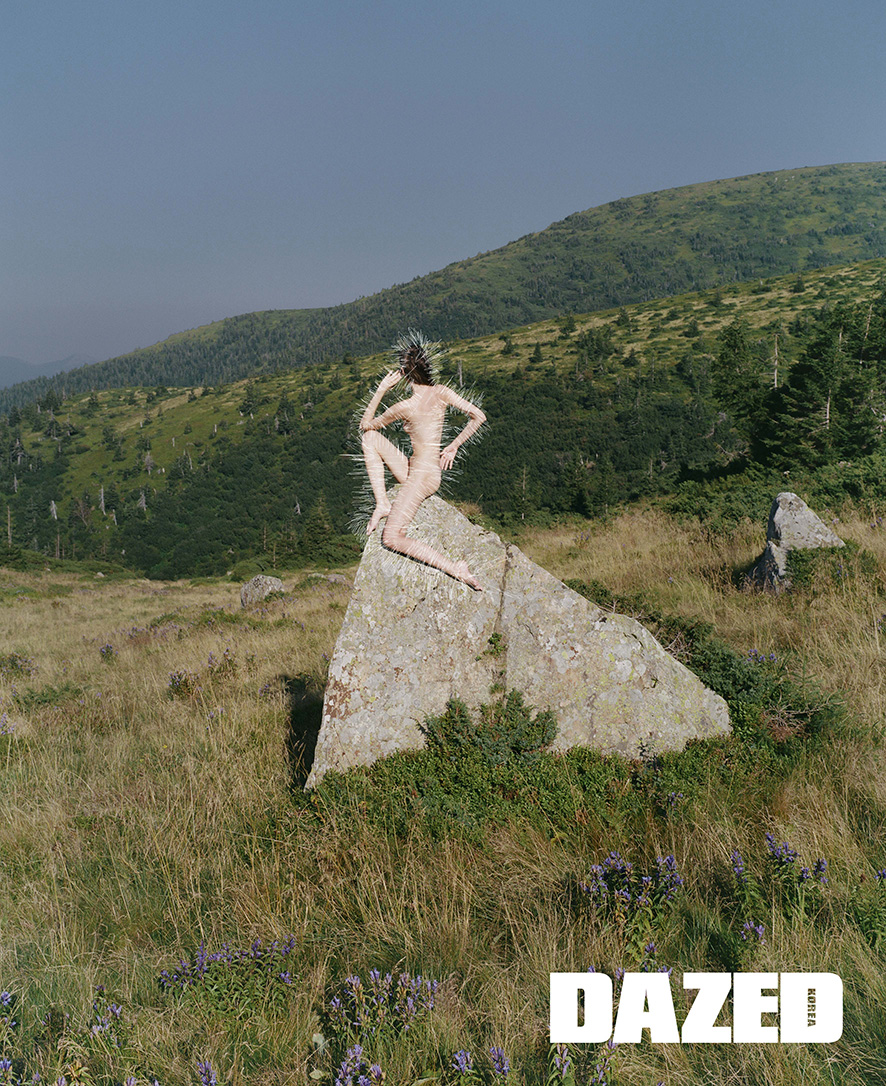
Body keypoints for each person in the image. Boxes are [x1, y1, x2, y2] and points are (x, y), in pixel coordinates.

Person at [359, 332, 486, 590]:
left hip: (421, 478)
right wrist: (453, 447)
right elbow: (478, 416)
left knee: (391, 537)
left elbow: (364, 424)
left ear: (403, 375)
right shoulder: (441, 392)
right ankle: (382, 503)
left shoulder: (405, 406)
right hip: (420, 472)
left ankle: (456, 569)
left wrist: (381, 389)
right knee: (371, 440)